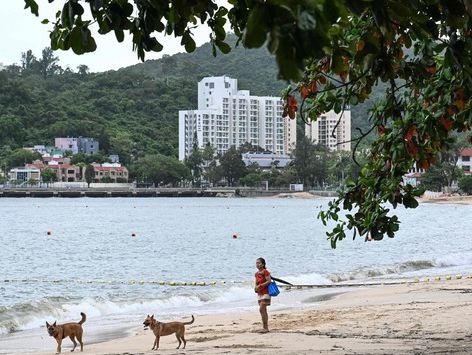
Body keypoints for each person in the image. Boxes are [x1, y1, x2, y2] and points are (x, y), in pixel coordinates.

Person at [254, 257, 271, 333]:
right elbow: (256, 283)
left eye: (259, 263)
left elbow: (269, 281)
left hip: (266, 292)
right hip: (259, 293)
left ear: (263, 264)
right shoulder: (256, 273)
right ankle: (265, 327)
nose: (257, 264)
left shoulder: (265, 272)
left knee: (261, 309)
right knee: (263, 310)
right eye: (256, 263)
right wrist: (255, 288)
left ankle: (265, 328)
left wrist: (260, 286)